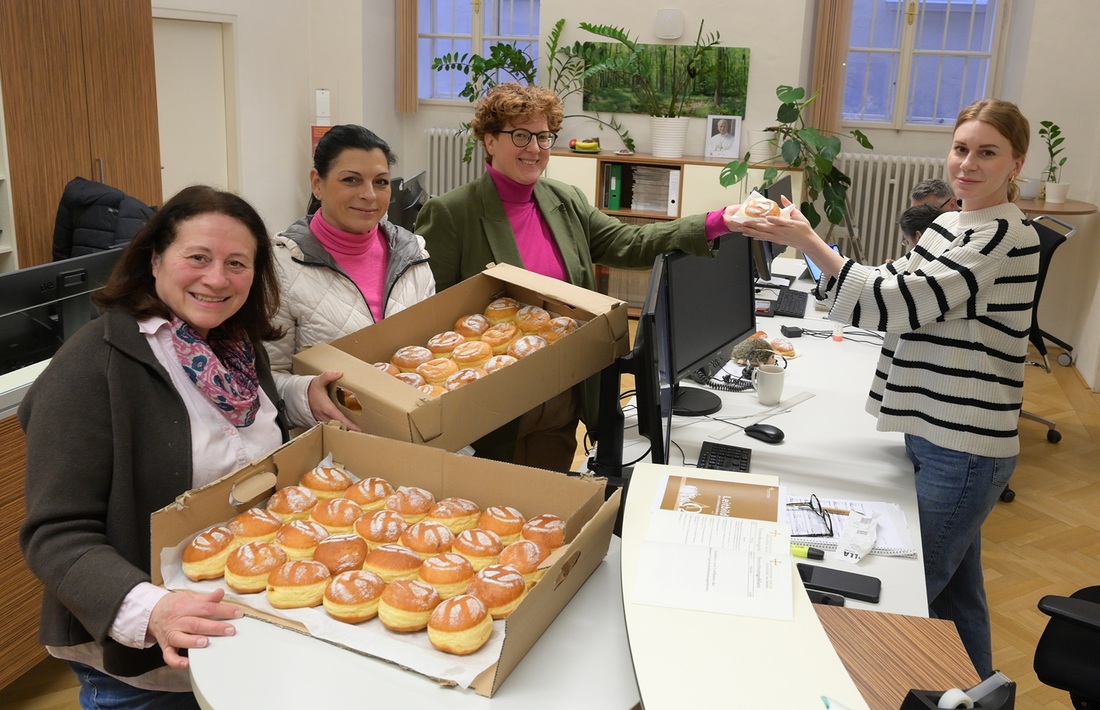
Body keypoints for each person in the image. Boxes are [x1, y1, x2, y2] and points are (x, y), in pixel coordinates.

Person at [738, 99, 1037, 680]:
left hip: (965, 446)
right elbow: (898, 286)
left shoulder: (1001, 235)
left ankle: (878, 688)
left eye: (987, 152)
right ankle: (981, 693)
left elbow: (897, 304)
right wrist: (818, 254)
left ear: (1015, 163)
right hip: (936, 433)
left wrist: (809, 242)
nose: (967, 164)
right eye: (960, 148)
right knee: (955, 598)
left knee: (899, 598)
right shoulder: (953, 221)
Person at [19, 185, 346, 709]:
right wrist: (154, 610)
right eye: (198, 257)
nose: (217, 278)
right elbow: (55, 535)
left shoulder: (237, 348)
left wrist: (303, 399)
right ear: (154, 258)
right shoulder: (92, 367)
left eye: (237, 263)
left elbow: (245, 445)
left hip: (247, 621)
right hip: (149, 661)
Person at [415, 83, 742, 471]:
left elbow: (628, 242)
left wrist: (716, 222)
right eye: (520, 135)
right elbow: (430, 317)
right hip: (494, 396)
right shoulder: (452, 213)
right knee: (494, 498)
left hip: (563, 386)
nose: (535, 148)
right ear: (489, 140)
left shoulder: (564, 199)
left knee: (549, 498)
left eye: (543, 136)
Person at [266, 124, 435, 422]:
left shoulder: (414, 255)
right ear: (317, 183)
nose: (369, 195)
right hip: (334, 441)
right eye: (351, 180)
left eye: (381, 182)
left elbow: (428, 350)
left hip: (414, 428)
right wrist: (305, 395)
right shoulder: (280, 266)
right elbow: (265, 377)